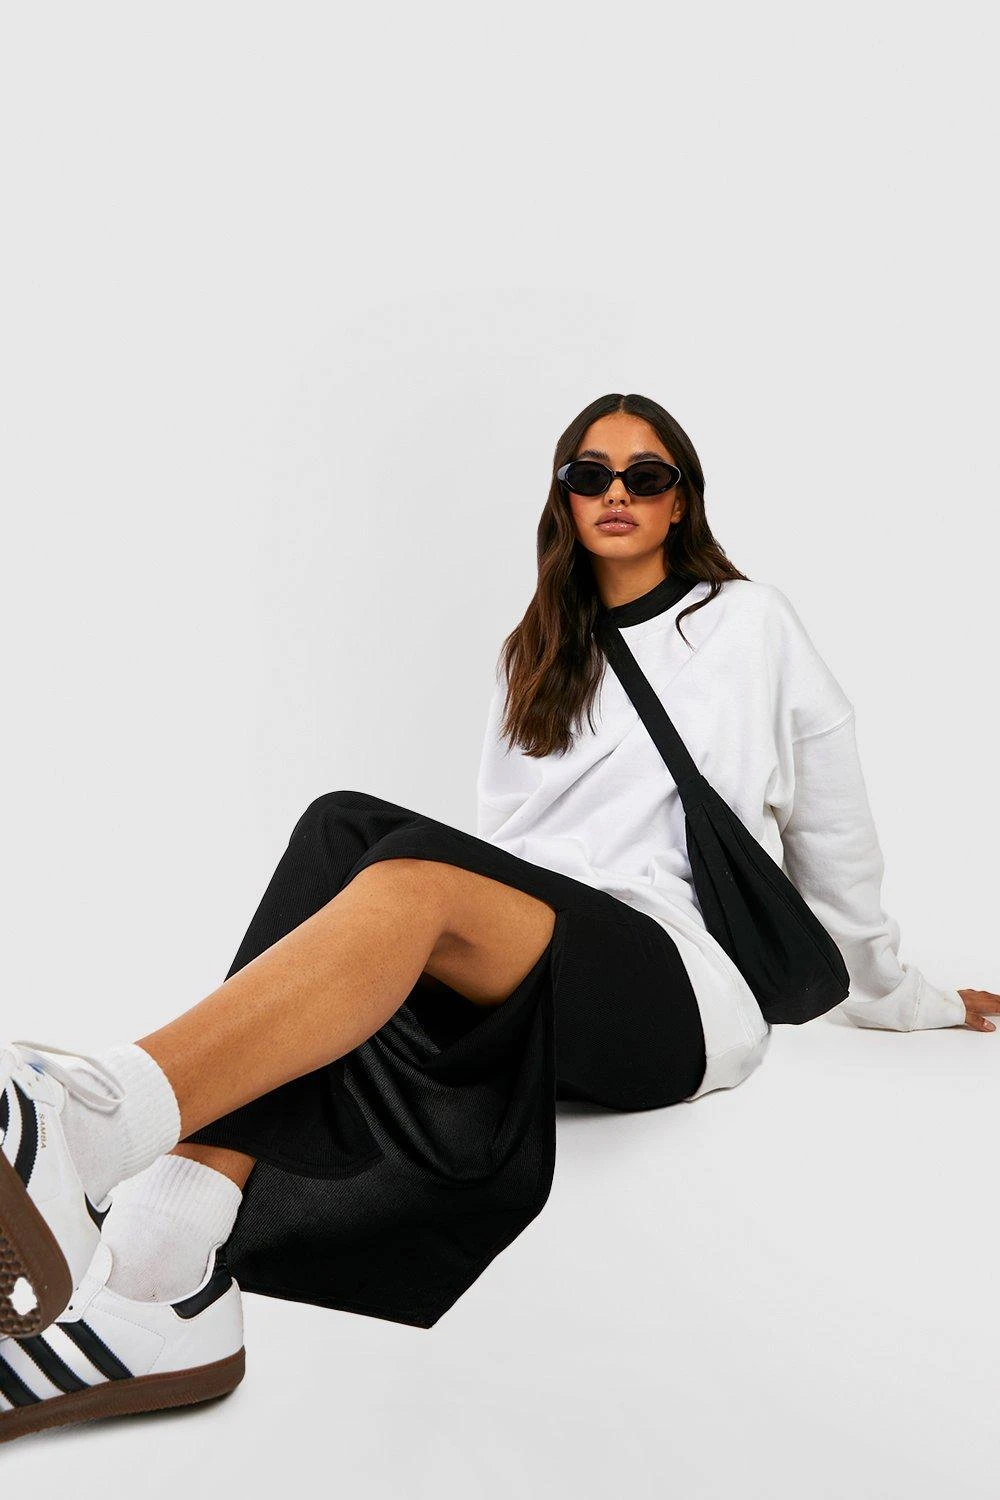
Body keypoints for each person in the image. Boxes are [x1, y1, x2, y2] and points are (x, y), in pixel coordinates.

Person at [1, 391, 996, 1443]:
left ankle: (94, 1127)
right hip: (544, 960)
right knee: (341, 826)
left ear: (680, 500)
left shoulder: (749, 623)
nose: (616, 493)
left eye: (645, 475)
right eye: (589, 475)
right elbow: (512, 849)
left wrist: (896, 993)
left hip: (675, 988)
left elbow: (836, 833)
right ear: (563, 499)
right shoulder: (536, 650)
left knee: (412, 881)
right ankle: (162, 1271)